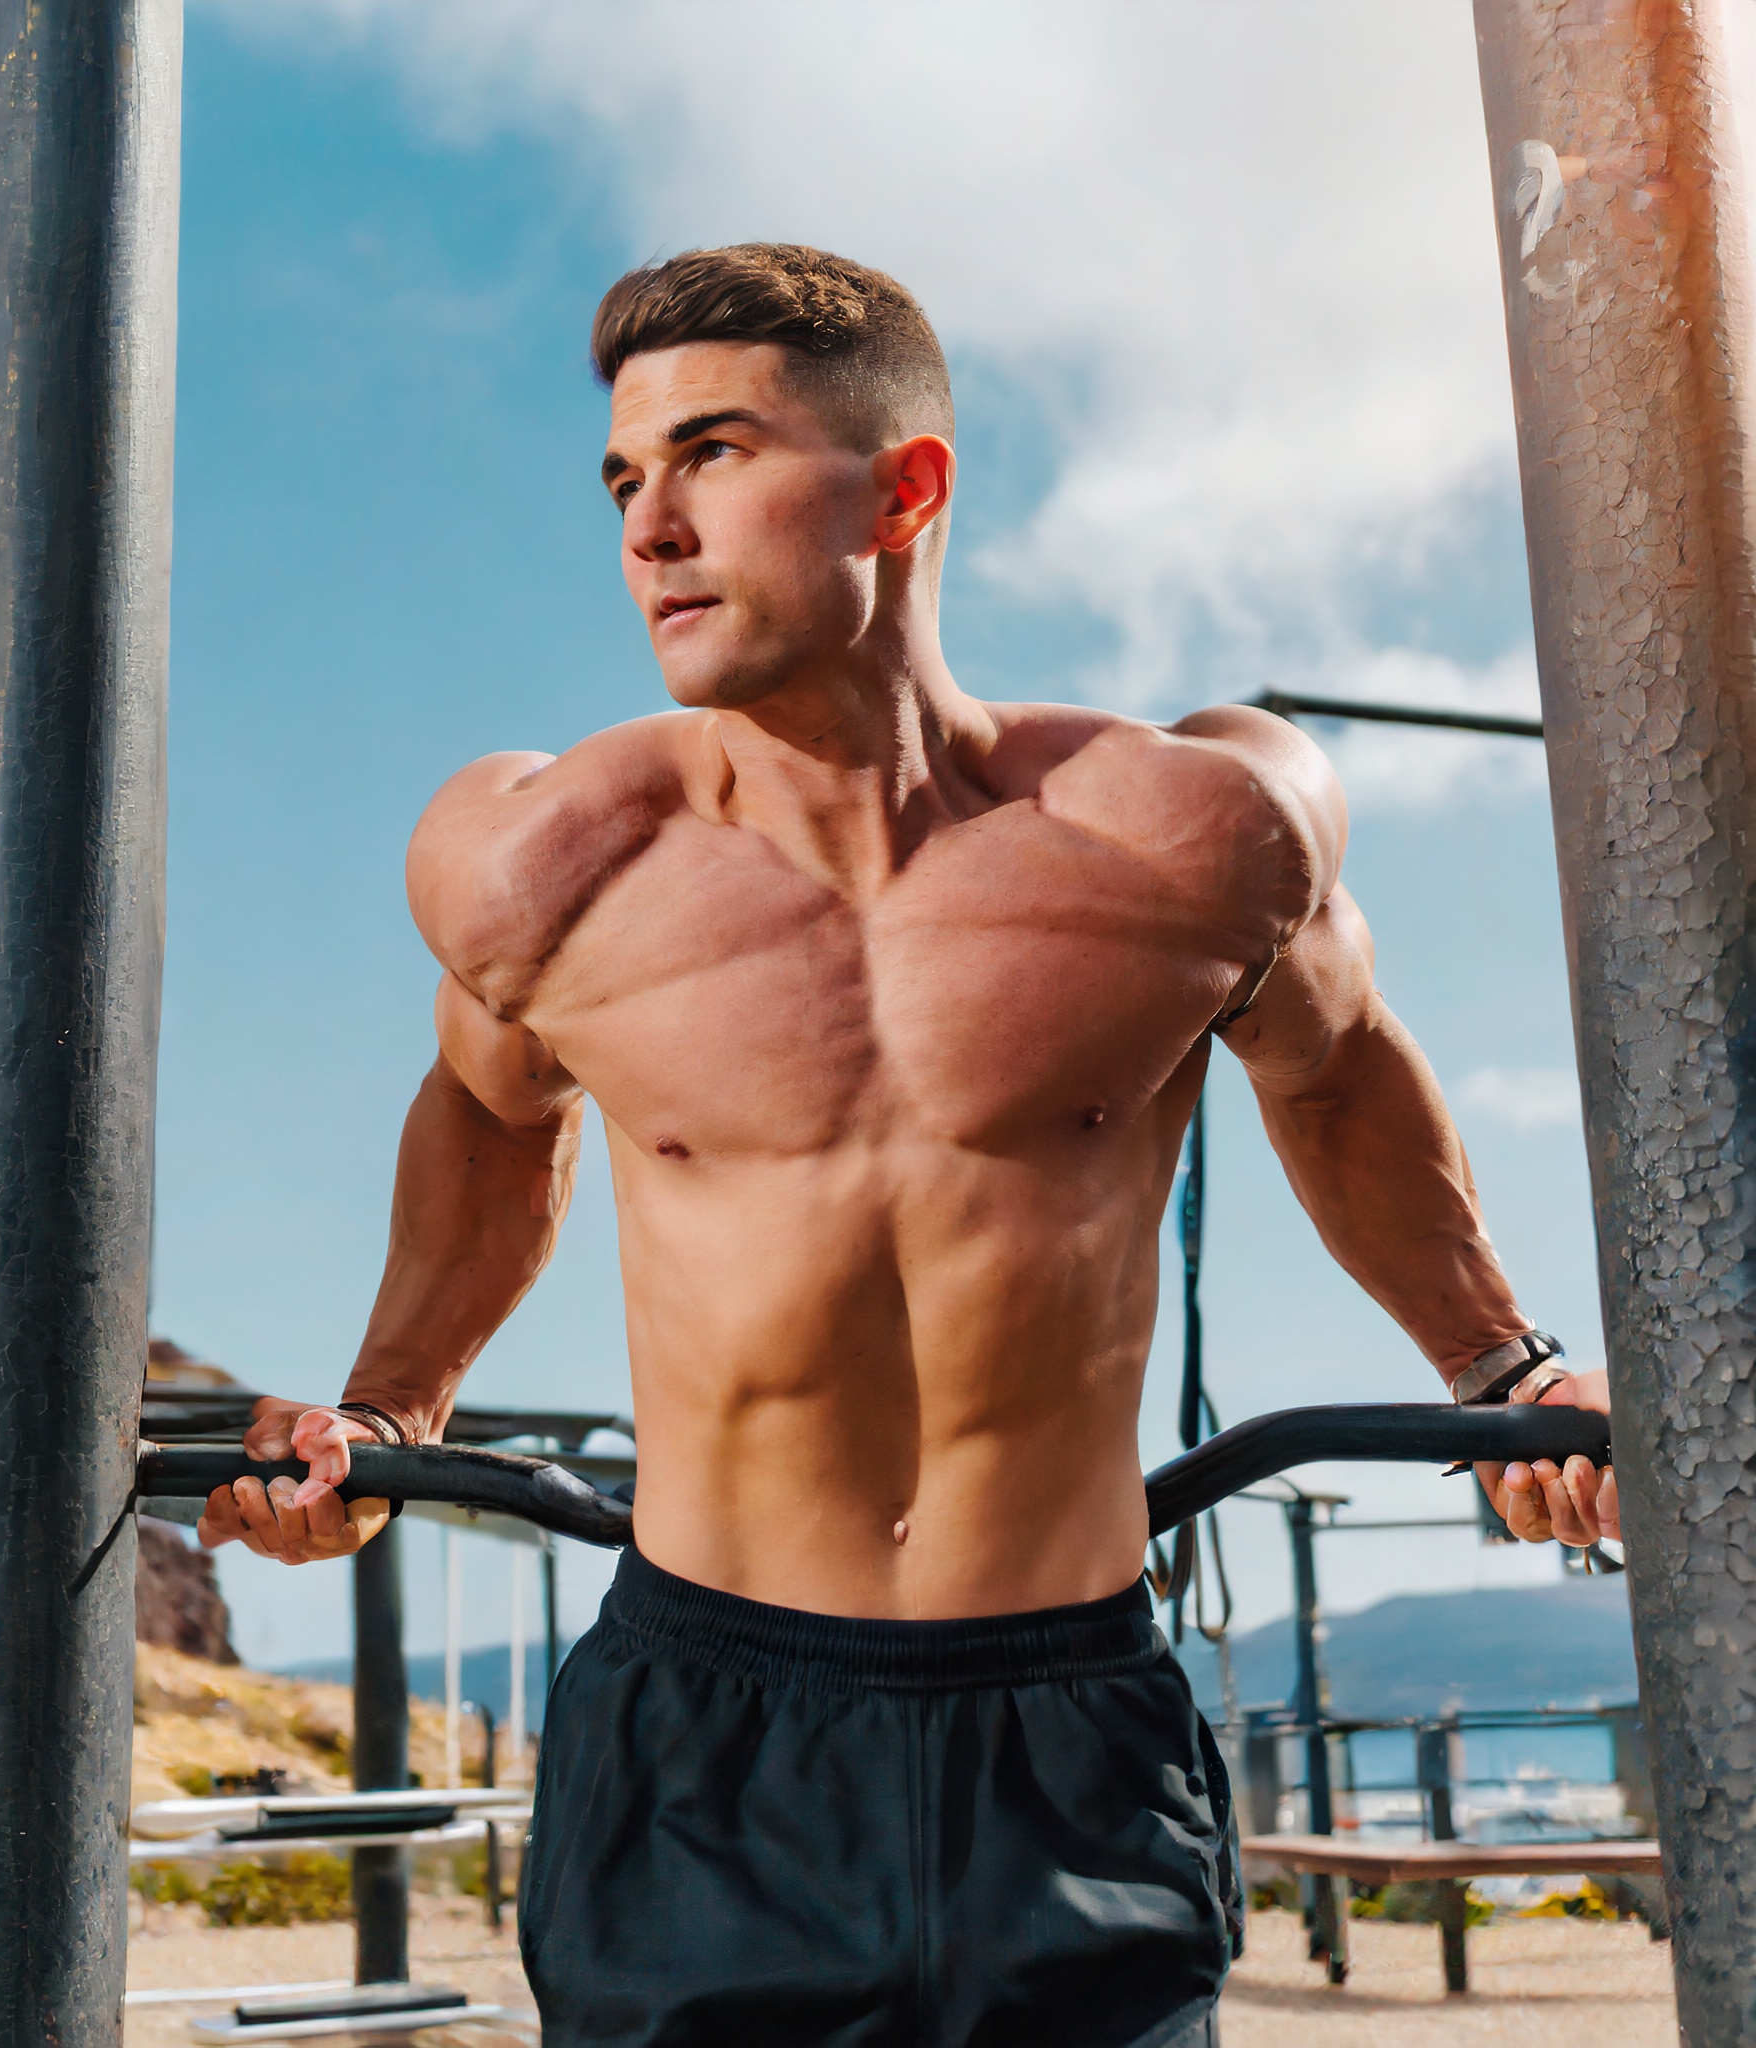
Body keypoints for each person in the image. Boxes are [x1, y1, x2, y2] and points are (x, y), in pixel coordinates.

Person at [198, 244, 1618, 2047]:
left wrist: (1503, 1370)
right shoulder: (547, 861)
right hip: (711, 1730)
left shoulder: (1187, 837)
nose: (651, 528)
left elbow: (1335, 1083)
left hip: (1069, 1722)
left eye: (711, 454)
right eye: (626, 479)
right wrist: (390, 1412)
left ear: (906, 489)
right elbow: (491, 1118)